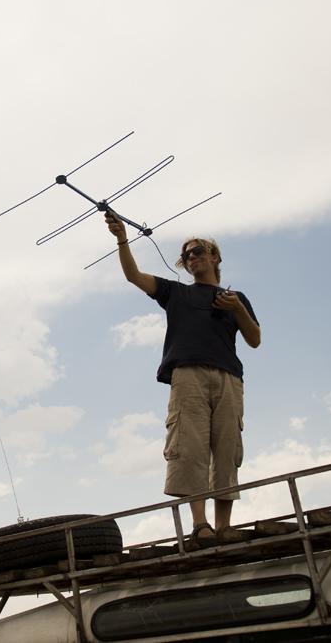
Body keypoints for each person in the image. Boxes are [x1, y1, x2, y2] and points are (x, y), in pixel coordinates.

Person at [105, 212, 260, 548]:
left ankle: (224, 526)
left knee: (227, 448)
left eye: (200, 251)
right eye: (188, 254)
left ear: (215, 258)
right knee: (190, 448)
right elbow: (133, 275)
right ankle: (200, 525)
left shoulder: (236, 298)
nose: (194, 256)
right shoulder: (176, 292)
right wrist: (121, 239)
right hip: (188, 373)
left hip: (229, 377)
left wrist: (238, 310)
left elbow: (255, 338)